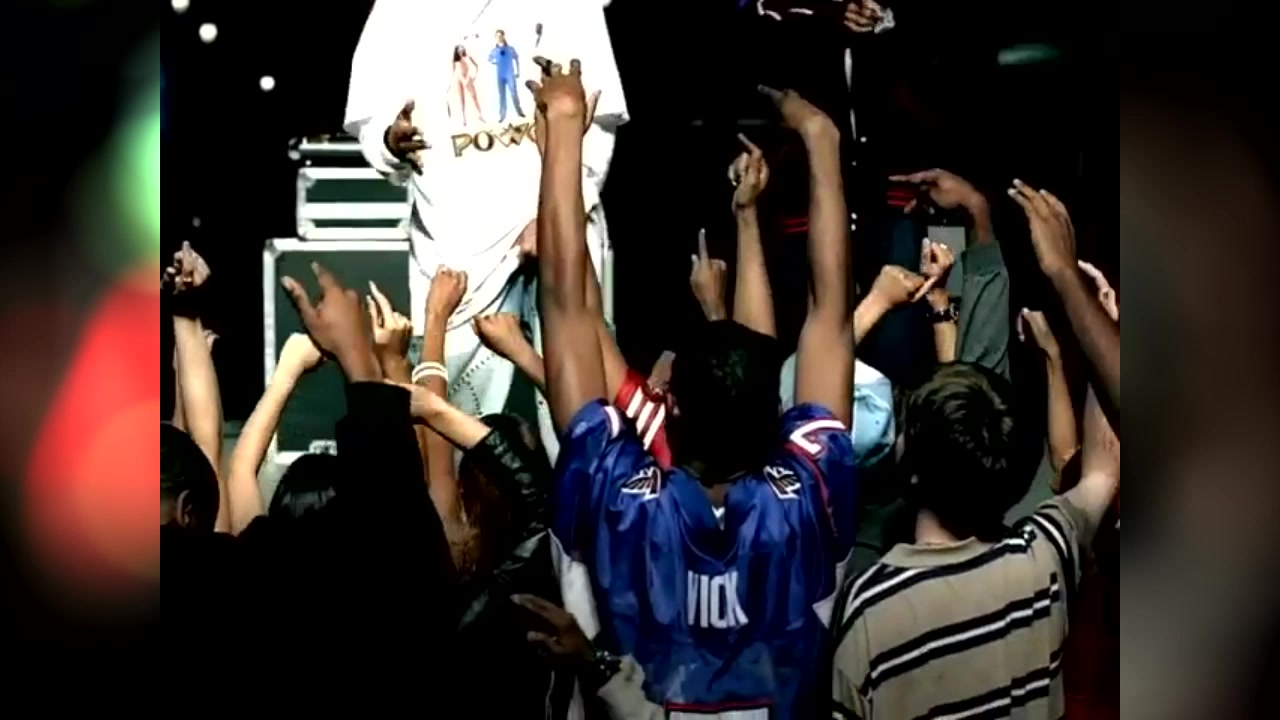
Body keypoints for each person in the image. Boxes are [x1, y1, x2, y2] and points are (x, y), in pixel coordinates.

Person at [535, 60, 856, 717]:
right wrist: (821, 143)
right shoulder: (811, 496)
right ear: (775, 411)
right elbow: (830, 316)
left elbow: (567, 312)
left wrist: (562, 137)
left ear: (671, 405)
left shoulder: (619, 500)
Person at [343, 0, 629, 459]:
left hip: (557, 226)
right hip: (454, 239)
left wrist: (563, 214)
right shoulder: (398, 7)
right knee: (454, 424)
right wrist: (388, 141)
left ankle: (588, 503)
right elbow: (371, 120)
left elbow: (596, 114)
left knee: (584, 410)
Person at [490, 30, 525, 122]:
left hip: (510, 74)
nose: (499, 38)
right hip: (500, 75)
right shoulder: (494, 51)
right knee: (501, 95)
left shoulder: (510, 49)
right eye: (497, 36)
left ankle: (519, 111)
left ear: (503, 36)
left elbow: (516, 59)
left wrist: (518, 71)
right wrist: (494, 61)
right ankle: (502, 115)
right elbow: (490, 59)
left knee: (514, 93)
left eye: (500, 36)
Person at [450, 44, 485, 126]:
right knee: (461, 99)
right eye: (459, 50)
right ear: (456, 51)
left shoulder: (468, 57)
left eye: (462, 49)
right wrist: (451, 83)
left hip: (467, 78)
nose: (460, 51)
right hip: (458, 78)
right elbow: (453, 71)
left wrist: (474, 76)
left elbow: (476, 66)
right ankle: (463, 118)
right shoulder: (454, 60)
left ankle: (480, 114)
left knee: (474, 96)